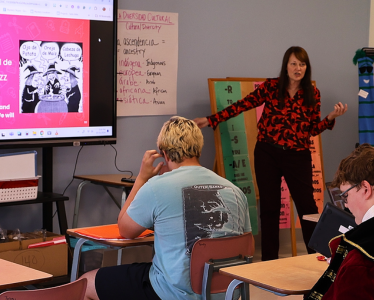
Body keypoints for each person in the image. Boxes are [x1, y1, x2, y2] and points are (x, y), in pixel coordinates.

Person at [194, 46, 348, 261]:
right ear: (286, 66)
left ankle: (319, 259)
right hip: (268, 153)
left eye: (302, 64)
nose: (298, 68)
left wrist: (330, 117)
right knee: (269, 208)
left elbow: (312, 130)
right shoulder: (272, 86)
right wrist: (212, 120)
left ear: (307, 68)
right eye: (294, 63)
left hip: (298, 156)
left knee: (308, 208)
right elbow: (243, 104)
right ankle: (269, 262)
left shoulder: (313, 93)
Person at [80, 116, 252, 300]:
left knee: (86, 283)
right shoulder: (235, 191)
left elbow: (125, 230)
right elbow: (248, 245)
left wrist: (141, 178)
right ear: (199, 149)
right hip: (226, 292)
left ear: (165, 154)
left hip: (173, 294)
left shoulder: (156, 186)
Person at [305, 143, 374, 300]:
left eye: (346, 196)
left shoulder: (359, 261)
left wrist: (342, 268)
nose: (346, 204)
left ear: (365, 189)